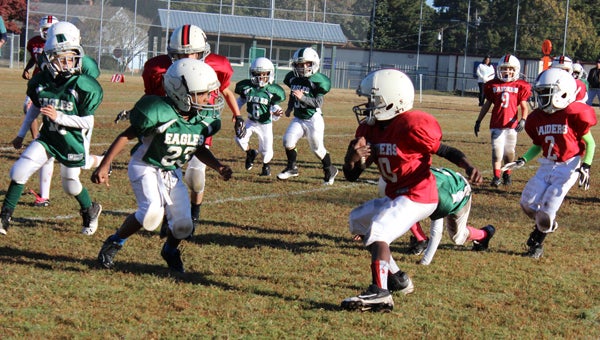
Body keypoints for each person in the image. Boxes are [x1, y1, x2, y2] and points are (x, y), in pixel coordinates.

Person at [340, 69, 483, 312]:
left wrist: (469, 166)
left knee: (379, 230)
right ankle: (397, 278)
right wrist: (351, 158)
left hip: (419, 194)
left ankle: (380, 293)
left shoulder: (410, 126)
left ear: (393, 101)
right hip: (396, 195)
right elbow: (351, 175)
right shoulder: (369, 130)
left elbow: (445, 150)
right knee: (358, 221)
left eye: (373, 100)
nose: (368, 105)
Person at [93, 59, 233, 273]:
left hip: (171, 170)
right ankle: (114, 242)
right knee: (150, 212)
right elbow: (126, 135)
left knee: (184, 225)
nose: (209, 98)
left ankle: (169, 250)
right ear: (181, 93)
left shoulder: (201, 118)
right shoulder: (158, 110)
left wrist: (218, 166)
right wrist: (105, 164)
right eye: (203, 94)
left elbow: (197, 147)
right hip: (145, 165)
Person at [117, 24, 241, 223]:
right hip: (172, 123)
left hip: (199, 121)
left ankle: (195, 211)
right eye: (180, 54)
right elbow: (151, 98)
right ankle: (170, 216)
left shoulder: (216, 66)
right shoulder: (158, 68)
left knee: (195, 174)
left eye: (193, 53)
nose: (187, 59)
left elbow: (225, 90)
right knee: (165, 172)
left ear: (203, 52)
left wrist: (238, 114)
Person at [0, 22, 102, 236]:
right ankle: (4, 219)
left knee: (70, 184)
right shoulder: (41, 80)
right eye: (61, 58)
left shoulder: (82, 84)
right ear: (49, 58)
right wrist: (21, 134)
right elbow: (35, 108)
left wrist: (60, 117)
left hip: (72, 139)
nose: (67, 63)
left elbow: (88, 122)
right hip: (48, 137)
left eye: (71, 57)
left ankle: (90, 209)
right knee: (19, 171)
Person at [502, 68, 596, 259]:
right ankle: (546, 226)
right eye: (541, 92)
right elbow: (538, 144)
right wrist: (523, 159)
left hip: (568, 166)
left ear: (563, 93)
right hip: (546, 164)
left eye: (546, 92)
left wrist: (586, 165)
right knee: (526, 203)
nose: (542, 97)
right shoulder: (538, 118)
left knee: (546, 212)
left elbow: (590, 143)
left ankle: (538, 241)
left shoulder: (573, 113)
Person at [277, 47, 338, 185]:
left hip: (313, 118)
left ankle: (330, 169)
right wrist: (290, 107)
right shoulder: (292, 78)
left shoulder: (318, 80)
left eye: (306, 64)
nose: (303, 67)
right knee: (288, 141)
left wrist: (303, 98)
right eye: (299, 64)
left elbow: (318, 103)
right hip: (299, 118)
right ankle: (292, 168)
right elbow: (293, 94)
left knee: (317, 149)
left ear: (314, 64)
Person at [474, 54, 531, 187]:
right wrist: (478, 121)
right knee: (497, 151)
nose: (507, 72)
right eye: (504, 69)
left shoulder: (520, 85)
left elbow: (524, 106)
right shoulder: (493, 85)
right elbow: (487, 105)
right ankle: (496, 176)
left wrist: (523, 119)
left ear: (515, 70)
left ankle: (507, 173)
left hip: (511, 125)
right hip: (496, 124)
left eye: (510, 69)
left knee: (509, 152)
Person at [234, 57, 286, 176]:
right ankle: (250, 152)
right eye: (257, 74)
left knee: (266, 149)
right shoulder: (248, 88)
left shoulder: (272, 90)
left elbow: (274, 106)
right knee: (239, 139)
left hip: (265, 123)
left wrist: (277, 112)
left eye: (264, 74)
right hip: (251, 121)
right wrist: (236, 113)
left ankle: (266, 166)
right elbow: (240, 101)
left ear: (270, 74)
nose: (260, 77)